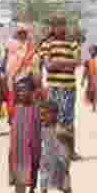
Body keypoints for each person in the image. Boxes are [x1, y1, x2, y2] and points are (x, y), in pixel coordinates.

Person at [37, 15, 82, 159]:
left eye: (62, 24)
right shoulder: (46, 44)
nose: (59, 28)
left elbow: (77, 62)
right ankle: (55, 151)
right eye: (56, 25)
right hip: (54, 88)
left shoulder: (72, 43)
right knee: (53, 119)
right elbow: (48, 65)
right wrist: (66, 63)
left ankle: (70, 151)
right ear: (52, 27)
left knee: (68, 119)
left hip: (69, 87)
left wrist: (57, 62)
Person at [8, 75, 42, 193]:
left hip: (32, 147)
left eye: (25, 90)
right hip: (17, 148)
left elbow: (39, 128)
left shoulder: (36, 109)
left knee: (33, 169)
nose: (22, 93)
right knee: (17, 169)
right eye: (19, 90)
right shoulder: (16, 108)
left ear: (32, 92)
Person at [38, 100, 73, 193]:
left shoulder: (59, 127)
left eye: (44, 114)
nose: (42, 117)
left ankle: (66, 192)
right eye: (41, 115)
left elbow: (70, 138)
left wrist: (68, 154)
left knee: (63, 175)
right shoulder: (41, 127)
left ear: (54, 115)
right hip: (46, 156)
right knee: (44, 175)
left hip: (59, 157)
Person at [4, 24, 37, 119]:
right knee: (14, 101)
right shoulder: (11, 45)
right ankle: (15, 122)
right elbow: (7, 62)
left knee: (26, 102)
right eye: (20, 33)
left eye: (24, 33)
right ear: (16, 34)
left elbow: (33, 62)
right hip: (13, 78)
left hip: (26, 77)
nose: (22, 35)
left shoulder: (30, 46)